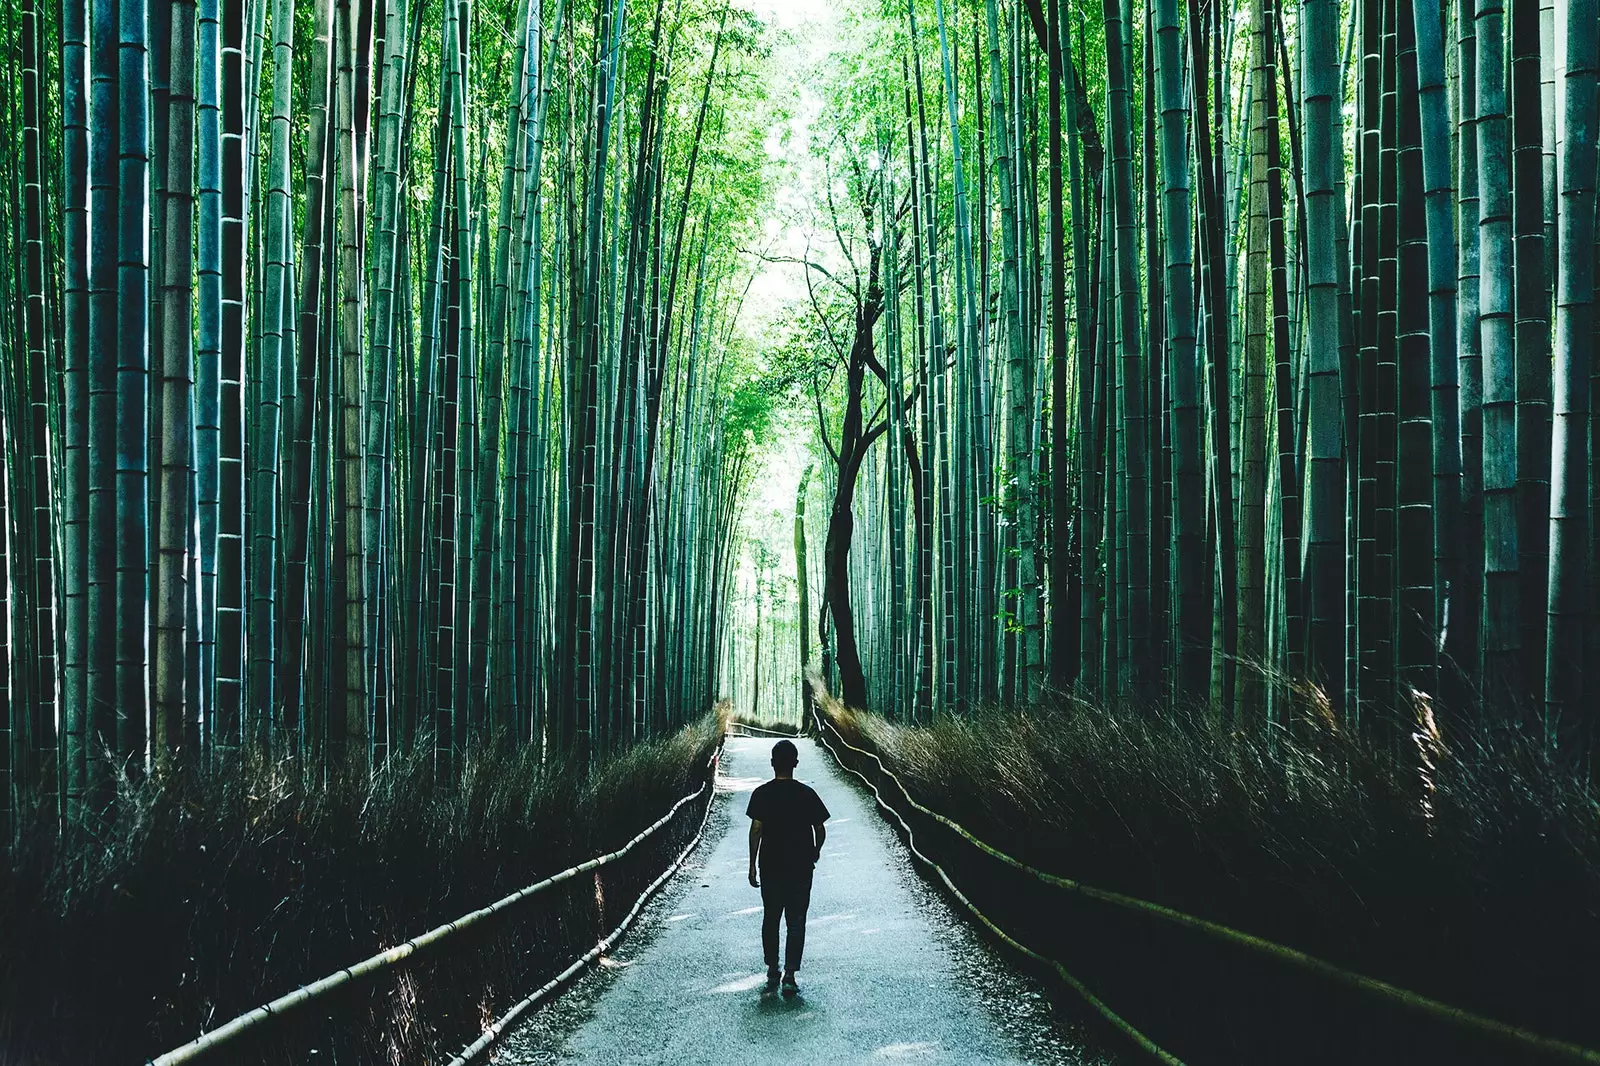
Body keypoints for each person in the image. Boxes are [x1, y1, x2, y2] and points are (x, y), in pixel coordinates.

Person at [746, 739, 830, 996]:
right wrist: (815, 851)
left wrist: (751, 864)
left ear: (772, 763)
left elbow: (757, 828)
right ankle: (790, 974)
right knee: (796, 919)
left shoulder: (762, 794)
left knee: (771, 917)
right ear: (795, 763)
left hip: (771, 865)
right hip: (800, 867)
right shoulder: (807, 794)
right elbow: (820, 829)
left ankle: (773, 968)